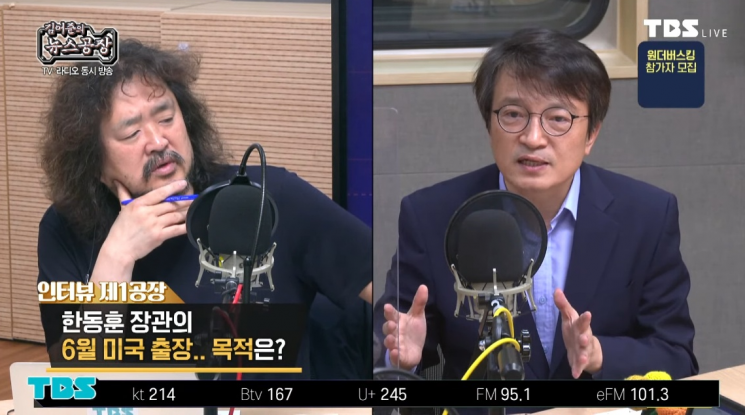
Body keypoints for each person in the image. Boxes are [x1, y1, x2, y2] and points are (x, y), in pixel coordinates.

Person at [374, 27, 698, 410]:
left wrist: (598, 354)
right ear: (489, 124)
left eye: (558, 118)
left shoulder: (646, 216)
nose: (533, 137)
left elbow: (677, 359)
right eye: (513, 115)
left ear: (591, 134)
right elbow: (387, 350)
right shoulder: (432, 215)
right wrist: (398, 360)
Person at [37, 39, 372, 379]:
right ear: (94, 160)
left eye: (166, 118)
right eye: (132, 133)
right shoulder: (65, 229)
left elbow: (390, 287)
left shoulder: (267, 199)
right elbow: (76, 382)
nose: (158, 141)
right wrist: (117, 257)